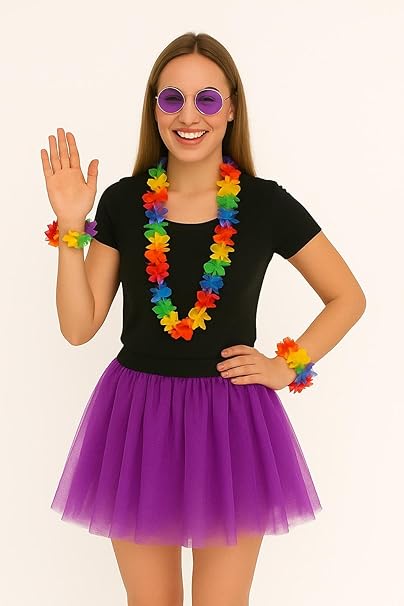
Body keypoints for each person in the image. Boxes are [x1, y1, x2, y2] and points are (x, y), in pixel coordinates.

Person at [41, 32, 366, 606]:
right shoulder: (122, 202)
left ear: (232, 107)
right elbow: (78, 326)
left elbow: (347, 297)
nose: (188, 115)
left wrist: (285, 366)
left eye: (207, 99)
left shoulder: (266, 204)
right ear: (155, 109)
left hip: (231, 420)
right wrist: (72, 227)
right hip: (137, 418)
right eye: (172, 99)